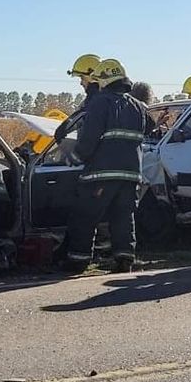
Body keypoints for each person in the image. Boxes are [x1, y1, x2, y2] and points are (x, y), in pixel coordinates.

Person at [63, 59, 153, 273]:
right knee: (123, 218)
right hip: (131, 175)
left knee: (86, 216)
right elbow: (149, 126)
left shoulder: (100, 102)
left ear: (103, 81)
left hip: (101, 174)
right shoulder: (138, 106)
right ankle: (124, 259)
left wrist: (74, 158)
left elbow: (89, 139)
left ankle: (78, 260)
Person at [54, 54, 101, 142]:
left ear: (92, 77)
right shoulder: (115, 100)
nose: (81, 83)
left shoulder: (96, 102)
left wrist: (62, 131)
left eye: (82, 78)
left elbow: (79, 119)